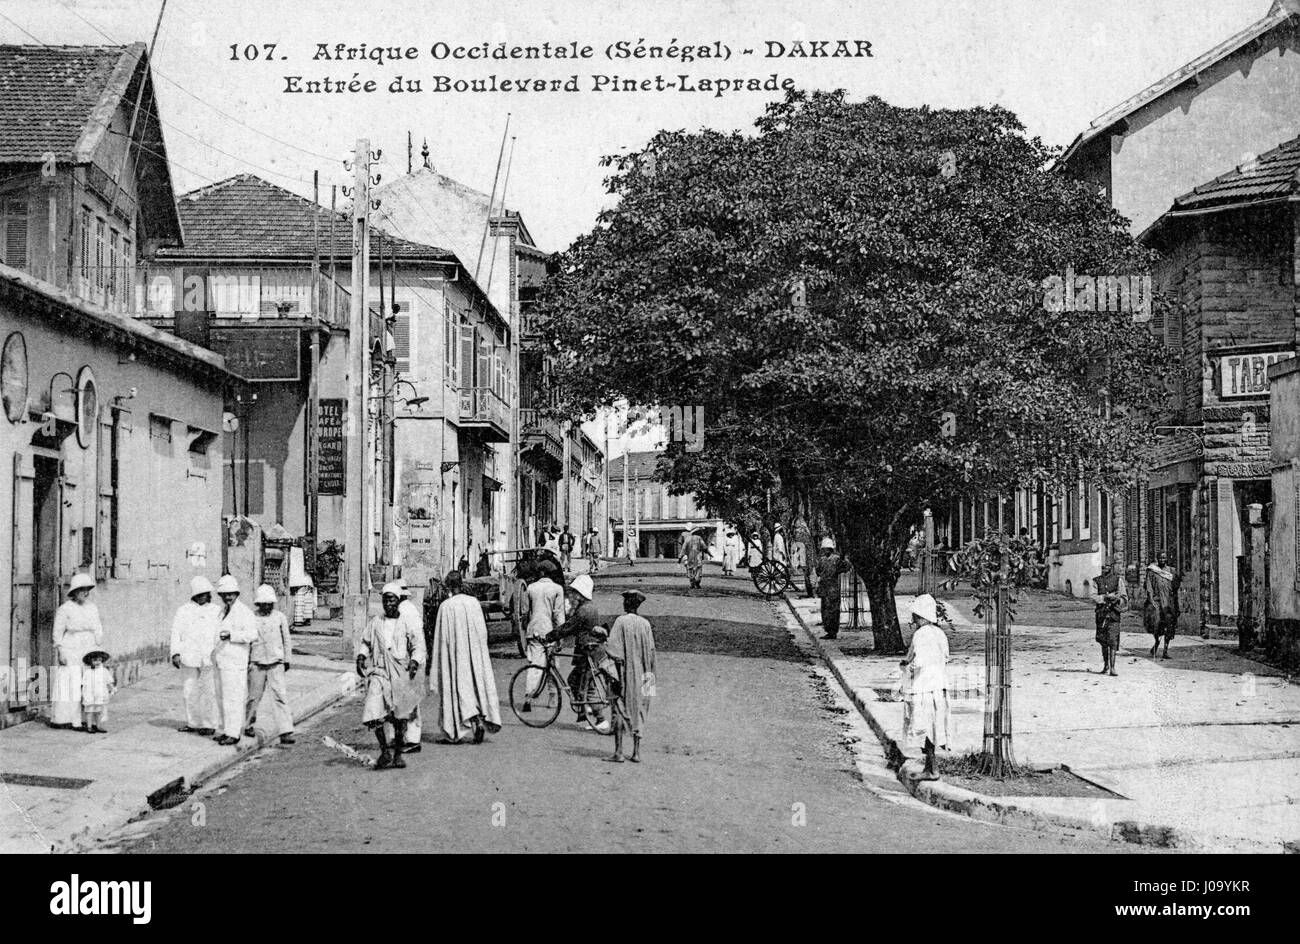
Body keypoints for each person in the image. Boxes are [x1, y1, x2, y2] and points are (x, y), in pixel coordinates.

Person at [430, 571, 502, 744]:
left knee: (457, 687)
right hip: (474, 654)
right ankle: (477, 720)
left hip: (455, 656)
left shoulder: (446, 606)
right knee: (475, 685)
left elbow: (440, 637)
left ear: (448, 587)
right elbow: (482, 632)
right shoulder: (473, 603)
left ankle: (458, 728)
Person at [356, 584, 423, 769]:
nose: (388, 603)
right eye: (385, 599)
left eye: (392, 599)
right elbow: (366, 642)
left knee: (399, 715)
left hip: (400, 672)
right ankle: (384, 751)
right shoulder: (376, 622)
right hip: (379, 672)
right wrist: (361, 656)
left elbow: (418, 646)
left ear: (398, 601)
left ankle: (398, 754)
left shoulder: (407, 622)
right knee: (374, 711)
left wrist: (414, 662)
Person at [544, 573, 610, 733]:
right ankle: (583, 709)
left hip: (588, 652)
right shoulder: (589, 607)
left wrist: (550, 636)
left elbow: (568, 627)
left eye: (575, 592)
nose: (573, 595)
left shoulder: (583, 611)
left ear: (581, 593)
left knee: (584, 686)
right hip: (590, 651)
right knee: (576, 680)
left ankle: (599, 718)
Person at [900, 593, 950, 781]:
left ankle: (933, 768)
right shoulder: (940, 634)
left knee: (922, 728)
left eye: (915, 615)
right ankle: (930, 767)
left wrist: (907, 667)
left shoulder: (920, 635)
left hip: (922, 686)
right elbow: (946, 657)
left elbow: (917, 661)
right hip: (938, 685)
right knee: (933, 728)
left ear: (920, 616)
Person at [606, 590, 656, 764]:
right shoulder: (646, 624)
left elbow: (613, 650)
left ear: (627, 604)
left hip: (625, 673)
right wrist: (651, 682)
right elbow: (651, 654)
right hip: (644, 674)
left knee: (619, 708)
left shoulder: (621, 622)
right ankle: (636, 752)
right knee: (641, 709)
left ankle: (619, 752)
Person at [50, 573, 104, 730]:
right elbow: (57, 632)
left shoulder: (92, 607)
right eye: (81, 590)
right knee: (71, 682)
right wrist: (60, 650)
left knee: (88, 682)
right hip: (71, 646)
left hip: (89, 646)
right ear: (74, 592)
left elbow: (98, 627)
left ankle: (87, 719)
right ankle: (66, 719)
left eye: (87, 590)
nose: (85, 593)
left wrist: (98, 645)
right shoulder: (65, 609)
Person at [243, 584, 295, 745]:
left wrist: (287, 659)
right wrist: (247, 662)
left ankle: (286, 731)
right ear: (258, 604)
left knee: (280, 696)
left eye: (269, 604)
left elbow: (286, 639)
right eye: (263, 604)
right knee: (253, 697)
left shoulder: (279, 617)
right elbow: (247, 642)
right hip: (257, 662)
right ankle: (248, 724)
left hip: (276, 662)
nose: (267, 607)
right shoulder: (251, 618)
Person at [170, 576, 219, 735]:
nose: (202, 597)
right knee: (189, 691)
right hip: (189, 655)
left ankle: (209, 724)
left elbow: (220, 633)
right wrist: (175, 653)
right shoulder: (183, 610)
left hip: (209, 657)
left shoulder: (216, 610)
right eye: (198, 594)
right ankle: (193, 723)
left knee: (209, 692)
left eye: (205, 593)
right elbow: (175, 633)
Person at [212, 575, 258, 745]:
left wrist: (232, 635)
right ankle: (225, 729)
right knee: (222, 697)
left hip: (235, 661)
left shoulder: (244, 612)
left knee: (234, 698)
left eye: (230, 594)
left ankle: (233, 733)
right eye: (224, 594)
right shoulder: (222, 611)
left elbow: (252, 634)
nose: (227, 597)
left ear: (236, 593)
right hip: (222, 660)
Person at [521, 559, 565, 712]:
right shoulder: (557, 589)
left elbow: (525, 613)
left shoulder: (531, 588)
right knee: (552, 664)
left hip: (534, 630)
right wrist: (560, 636)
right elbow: (558, 614)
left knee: (534, 664)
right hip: (550, 631)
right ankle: (552, 696)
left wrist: (525, 629)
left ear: (540, 573)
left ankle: (528, 696)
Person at [394, 579, 426, 752]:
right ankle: (402, 737)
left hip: (411, 660)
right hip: (405, 661)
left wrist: (414, 660)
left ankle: (413, 740)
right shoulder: (405, 608)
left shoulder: (406, 611)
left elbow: (416, 640)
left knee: (410, 701)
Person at [1089, 555, 1127, 676]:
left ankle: (1113, 668)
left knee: (1113, 640)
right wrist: (1104, 597)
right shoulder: (1096, 581)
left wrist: (1117, 599)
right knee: (1103, 641)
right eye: (1102, 567)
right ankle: (1106, 665)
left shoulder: (1118, 580)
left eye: (1106, 567)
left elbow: (1124, 597)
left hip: (1114, 614)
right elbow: (1093, 596)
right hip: (1101, 614)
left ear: (1111, 567)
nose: (1104, 569)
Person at [1141, 551, 1178, 660]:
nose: (1162, 560)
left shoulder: (1171, 571)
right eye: (1160, 558)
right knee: (1156, 624)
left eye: (1164, 558)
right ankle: (1156, 643)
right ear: (1157, 559)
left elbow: (1175, 590)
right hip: (1157, 601)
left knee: (1170, 625)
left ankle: (1165, 650)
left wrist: (1176, 605)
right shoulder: (1152, 571)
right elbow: (1149, 589)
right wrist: (1152, 602)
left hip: (1168, 602)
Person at [815, 538, 851, 640]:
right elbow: (818, 571)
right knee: (825, 610)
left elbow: (846, 567)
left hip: (833, 587)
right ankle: (828, 630)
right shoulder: (822, 560)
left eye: (827, 548)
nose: (825, 550)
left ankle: (833, 631)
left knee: (833, 611)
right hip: (825, 587)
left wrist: (843, 559)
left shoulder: (836, 559)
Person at [80, 649, 115, 734]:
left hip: (100, 694)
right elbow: (83, 684)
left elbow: (109, 681)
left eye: (99, 660)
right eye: (95, 660)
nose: (97, 662)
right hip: (89, 694)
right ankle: (89, 726)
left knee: (99, 711)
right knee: (89, 711)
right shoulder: (88, 672)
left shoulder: (104, 671)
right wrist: (82, 695)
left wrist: (112, 688)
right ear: (90, 661)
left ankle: (98, 726)